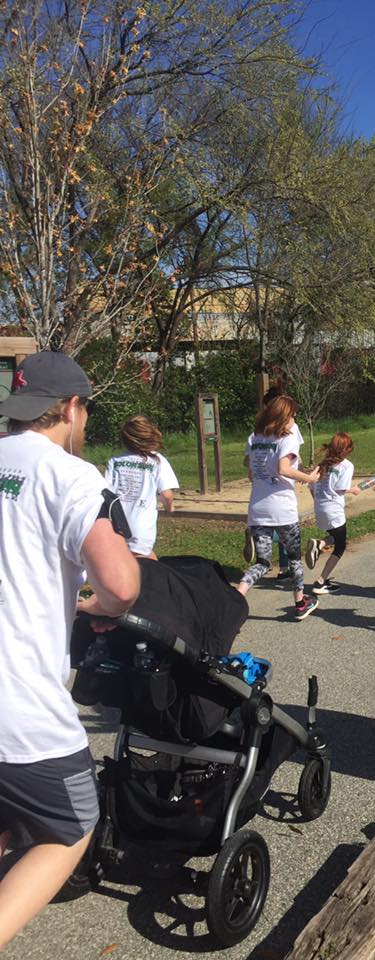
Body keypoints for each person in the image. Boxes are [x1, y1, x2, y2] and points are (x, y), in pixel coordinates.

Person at [0, 351, 140, 949]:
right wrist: (100, 609)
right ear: (73, 408)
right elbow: (122, 584)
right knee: (69, 824)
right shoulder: (69, 475)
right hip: (19, 705)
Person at [237, 395, 320, 619]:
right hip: (282, 508)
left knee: (262, 563)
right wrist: (309, 478)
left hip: (257, 508)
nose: (294, 419)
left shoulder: (256, 437)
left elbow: (250, 469)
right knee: (294, 558)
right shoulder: (288, 437)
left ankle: (237, 596)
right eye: (292, 415)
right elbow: (284, 468)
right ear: (284, 416)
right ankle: (301, 603)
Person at [243, 385, 305, 579]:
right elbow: (288, 460)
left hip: (259, 495)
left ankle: (281, 567)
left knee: (271, 524)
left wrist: (257, 469)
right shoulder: (290, 428)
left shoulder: (257, 433)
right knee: (286, 527)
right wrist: (305, 475)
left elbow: (248, 462)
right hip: (281, 489)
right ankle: (296, 590)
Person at [104, 415, 179, 558]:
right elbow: (167, 494)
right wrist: (170, 508)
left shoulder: (114, 461)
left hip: (116, 523)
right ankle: (161, 580)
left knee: (126, 560)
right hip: (141, 525)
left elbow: (106, 492)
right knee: (145, 562)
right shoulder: (157, 461)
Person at [305, 432, 362, 594]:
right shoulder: (346, 465)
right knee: (341, 545)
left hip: (319, 508)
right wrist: (354, 490)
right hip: (334, 510)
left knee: (335, 535)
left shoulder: (322, 465)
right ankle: (321, 581)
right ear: (345, 450)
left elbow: (311, 486)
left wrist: (318, 502)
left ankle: (321, 544)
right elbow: (340, 488)